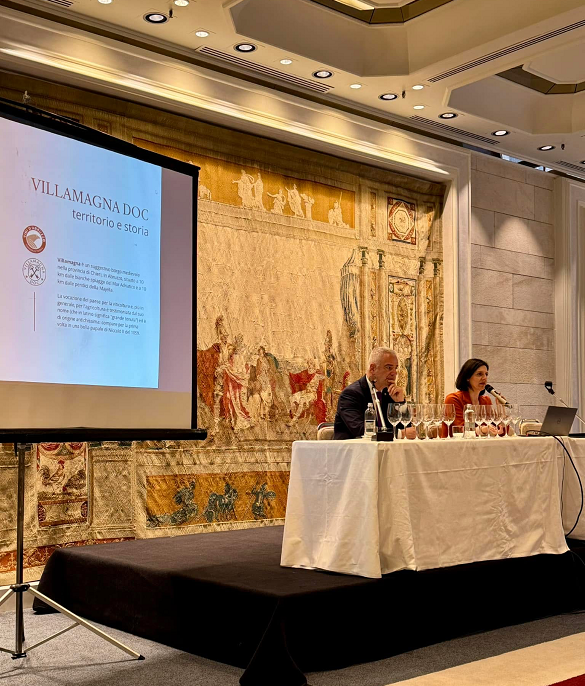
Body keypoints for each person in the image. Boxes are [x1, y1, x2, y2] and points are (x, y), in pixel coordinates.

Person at [333, 347, 411, 440]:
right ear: (373, 368)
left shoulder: (390, 393)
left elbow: (406, 427)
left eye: (395, 368)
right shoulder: (351, 394)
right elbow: (361, 430)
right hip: (354, 451)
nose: (394, 373)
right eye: (389, 367)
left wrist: (401, 402)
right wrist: (399, 434)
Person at [441, 358, 493, 437]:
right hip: (456, 446)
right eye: (479, 374)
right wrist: (483, 430)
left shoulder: (486, 400)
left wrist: (502, 408)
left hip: (482, 446)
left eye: (486, 374)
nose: (484, 378)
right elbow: (461, 429)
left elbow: (497, 428)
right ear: (467, 378)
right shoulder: (453, 399)